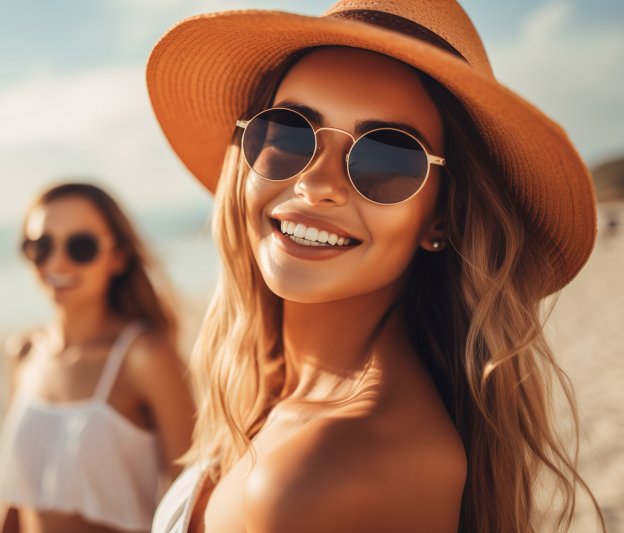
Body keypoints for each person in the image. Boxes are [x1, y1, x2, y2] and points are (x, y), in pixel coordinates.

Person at [145, 1, 605, 532]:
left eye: (387, 158)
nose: (316, 185)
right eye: (289, 133)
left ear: (440, 219)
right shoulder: (275, 392)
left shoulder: (331, 469)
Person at [0, 182, 195, 533]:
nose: (56, 262)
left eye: (80, 247)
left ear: (118, 256)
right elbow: (17, 495)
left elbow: (191, 494)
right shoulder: (23, 353)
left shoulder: (143, 356)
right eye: (41, 246)